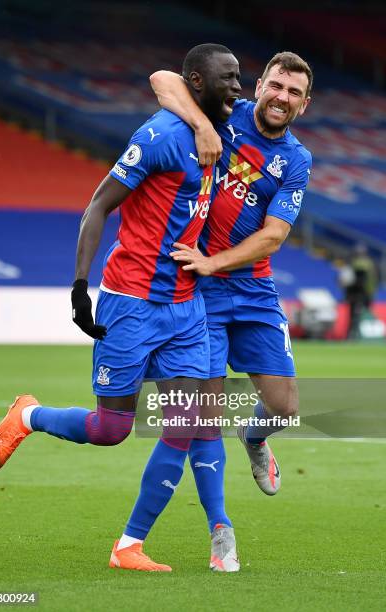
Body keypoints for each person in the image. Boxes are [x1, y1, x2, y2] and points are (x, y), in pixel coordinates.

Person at [0, 44, 242, 573]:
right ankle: (27, 416)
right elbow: (99, 203)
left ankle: (129, 545)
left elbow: (173, 81)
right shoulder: (161, 137)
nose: (239, 88)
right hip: (132, 303)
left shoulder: (224, 130)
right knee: (111, 429)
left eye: (242, 78)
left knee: (186, 422)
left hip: (187, 306)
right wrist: (80, 285)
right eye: (229, 78)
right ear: (198, 81)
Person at [150, 51, 312, 496]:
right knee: (206, 414)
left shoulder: (296, 160)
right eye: (276, 86)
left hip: (254, 287)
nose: (282, 97)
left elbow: (273, 236)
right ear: (260, 86)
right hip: (202, 293)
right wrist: (202, 126)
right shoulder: (223, 112)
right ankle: (220, 528)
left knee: (284, 408)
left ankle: (255, 436)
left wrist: (214, 261)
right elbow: (162, 78)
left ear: (304, 104)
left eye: (294, 93)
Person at [339, 243, 379, 338]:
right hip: (365, 293)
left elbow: (355, 280)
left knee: (356, 316)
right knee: (362, 314)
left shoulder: (357, 264)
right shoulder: (370, 263)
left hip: (360, 294)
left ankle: (354, 335)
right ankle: (362, 335)